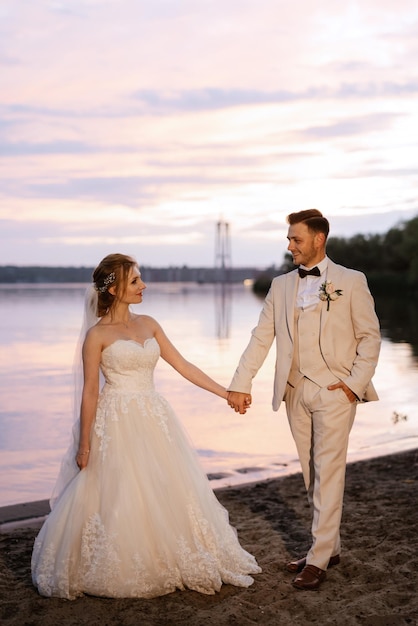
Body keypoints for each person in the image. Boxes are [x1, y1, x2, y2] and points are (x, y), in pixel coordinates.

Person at [31, 253, 261, 600]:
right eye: (136, 280)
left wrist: (226, 393)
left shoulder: (150, 323)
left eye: (140, 279)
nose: (143, 286)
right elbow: (90, 392)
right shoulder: (96, 336)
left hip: (154, 416)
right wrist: (85, 443)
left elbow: (183, 365)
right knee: (120, 492)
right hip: (116, 421)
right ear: (115, 287)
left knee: (165, 488)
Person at [227, 209, 381, 591]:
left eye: (296, 239)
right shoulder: (279, 286)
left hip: (335, 390)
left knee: (328, 470)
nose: (290, 245)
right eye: (288, 239)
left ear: (318, 239)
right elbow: (261, 336)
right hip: (295, 389)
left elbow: (370, 338)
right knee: (312, 473)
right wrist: (241, 383)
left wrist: (353, 384)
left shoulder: (351, 280)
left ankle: (318, 559)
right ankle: (330, 547)